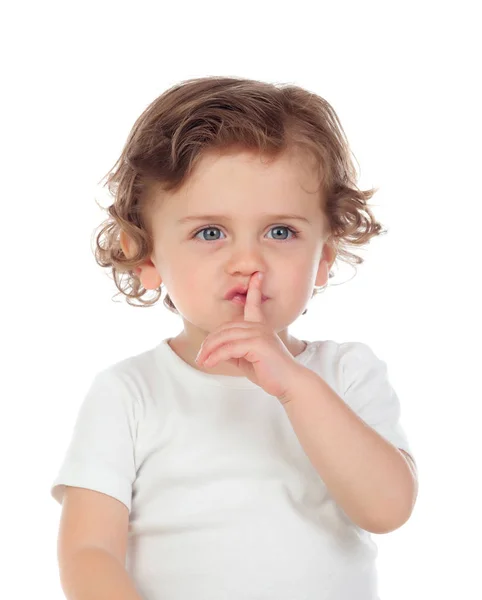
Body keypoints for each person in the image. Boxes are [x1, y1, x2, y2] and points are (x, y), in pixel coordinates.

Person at [51, 76, 418, 600]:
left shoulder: (346, 374)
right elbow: (89, 551)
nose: (249, 262)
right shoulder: (130, 393)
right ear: (148, 257)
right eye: (210, 233)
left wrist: (295, 386)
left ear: (325, 257)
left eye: (281, 232)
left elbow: (387, 509)